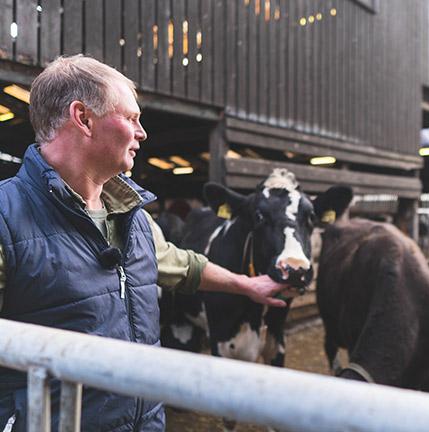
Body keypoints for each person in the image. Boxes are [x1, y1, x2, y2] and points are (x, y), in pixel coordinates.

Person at [0, 55, 289, 431]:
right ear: (84, 118)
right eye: (131, 118)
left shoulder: (133, 215)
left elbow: (180, 265)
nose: (142, 133)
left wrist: (247, 285)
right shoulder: (6, 217)